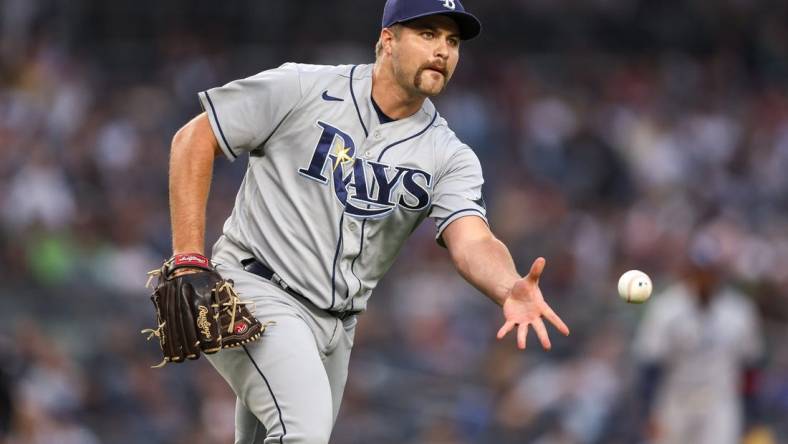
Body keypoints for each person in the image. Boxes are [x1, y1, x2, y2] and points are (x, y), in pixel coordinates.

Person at [167, 0, 569, 442]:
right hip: (255, 291)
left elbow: (472, 240)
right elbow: (195, 138)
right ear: (387, 41)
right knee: (303, 434)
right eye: (428, 34)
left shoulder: (448, 155)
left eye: (452, 41)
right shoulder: (302, 88)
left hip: (337, 328)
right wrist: (188, 256)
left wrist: (507, 284)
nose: (443, 50)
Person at [633, 247, 764, 444]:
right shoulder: (666, 308)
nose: (704, 278)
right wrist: (647, 412)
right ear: (689, 272)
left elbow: (750, 367)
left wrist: (751, 414)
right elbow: (650, 365)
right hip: (675, 400)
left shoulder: (739, 311)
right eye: (699, 271)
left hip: (720, 402)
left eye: (709, 272)